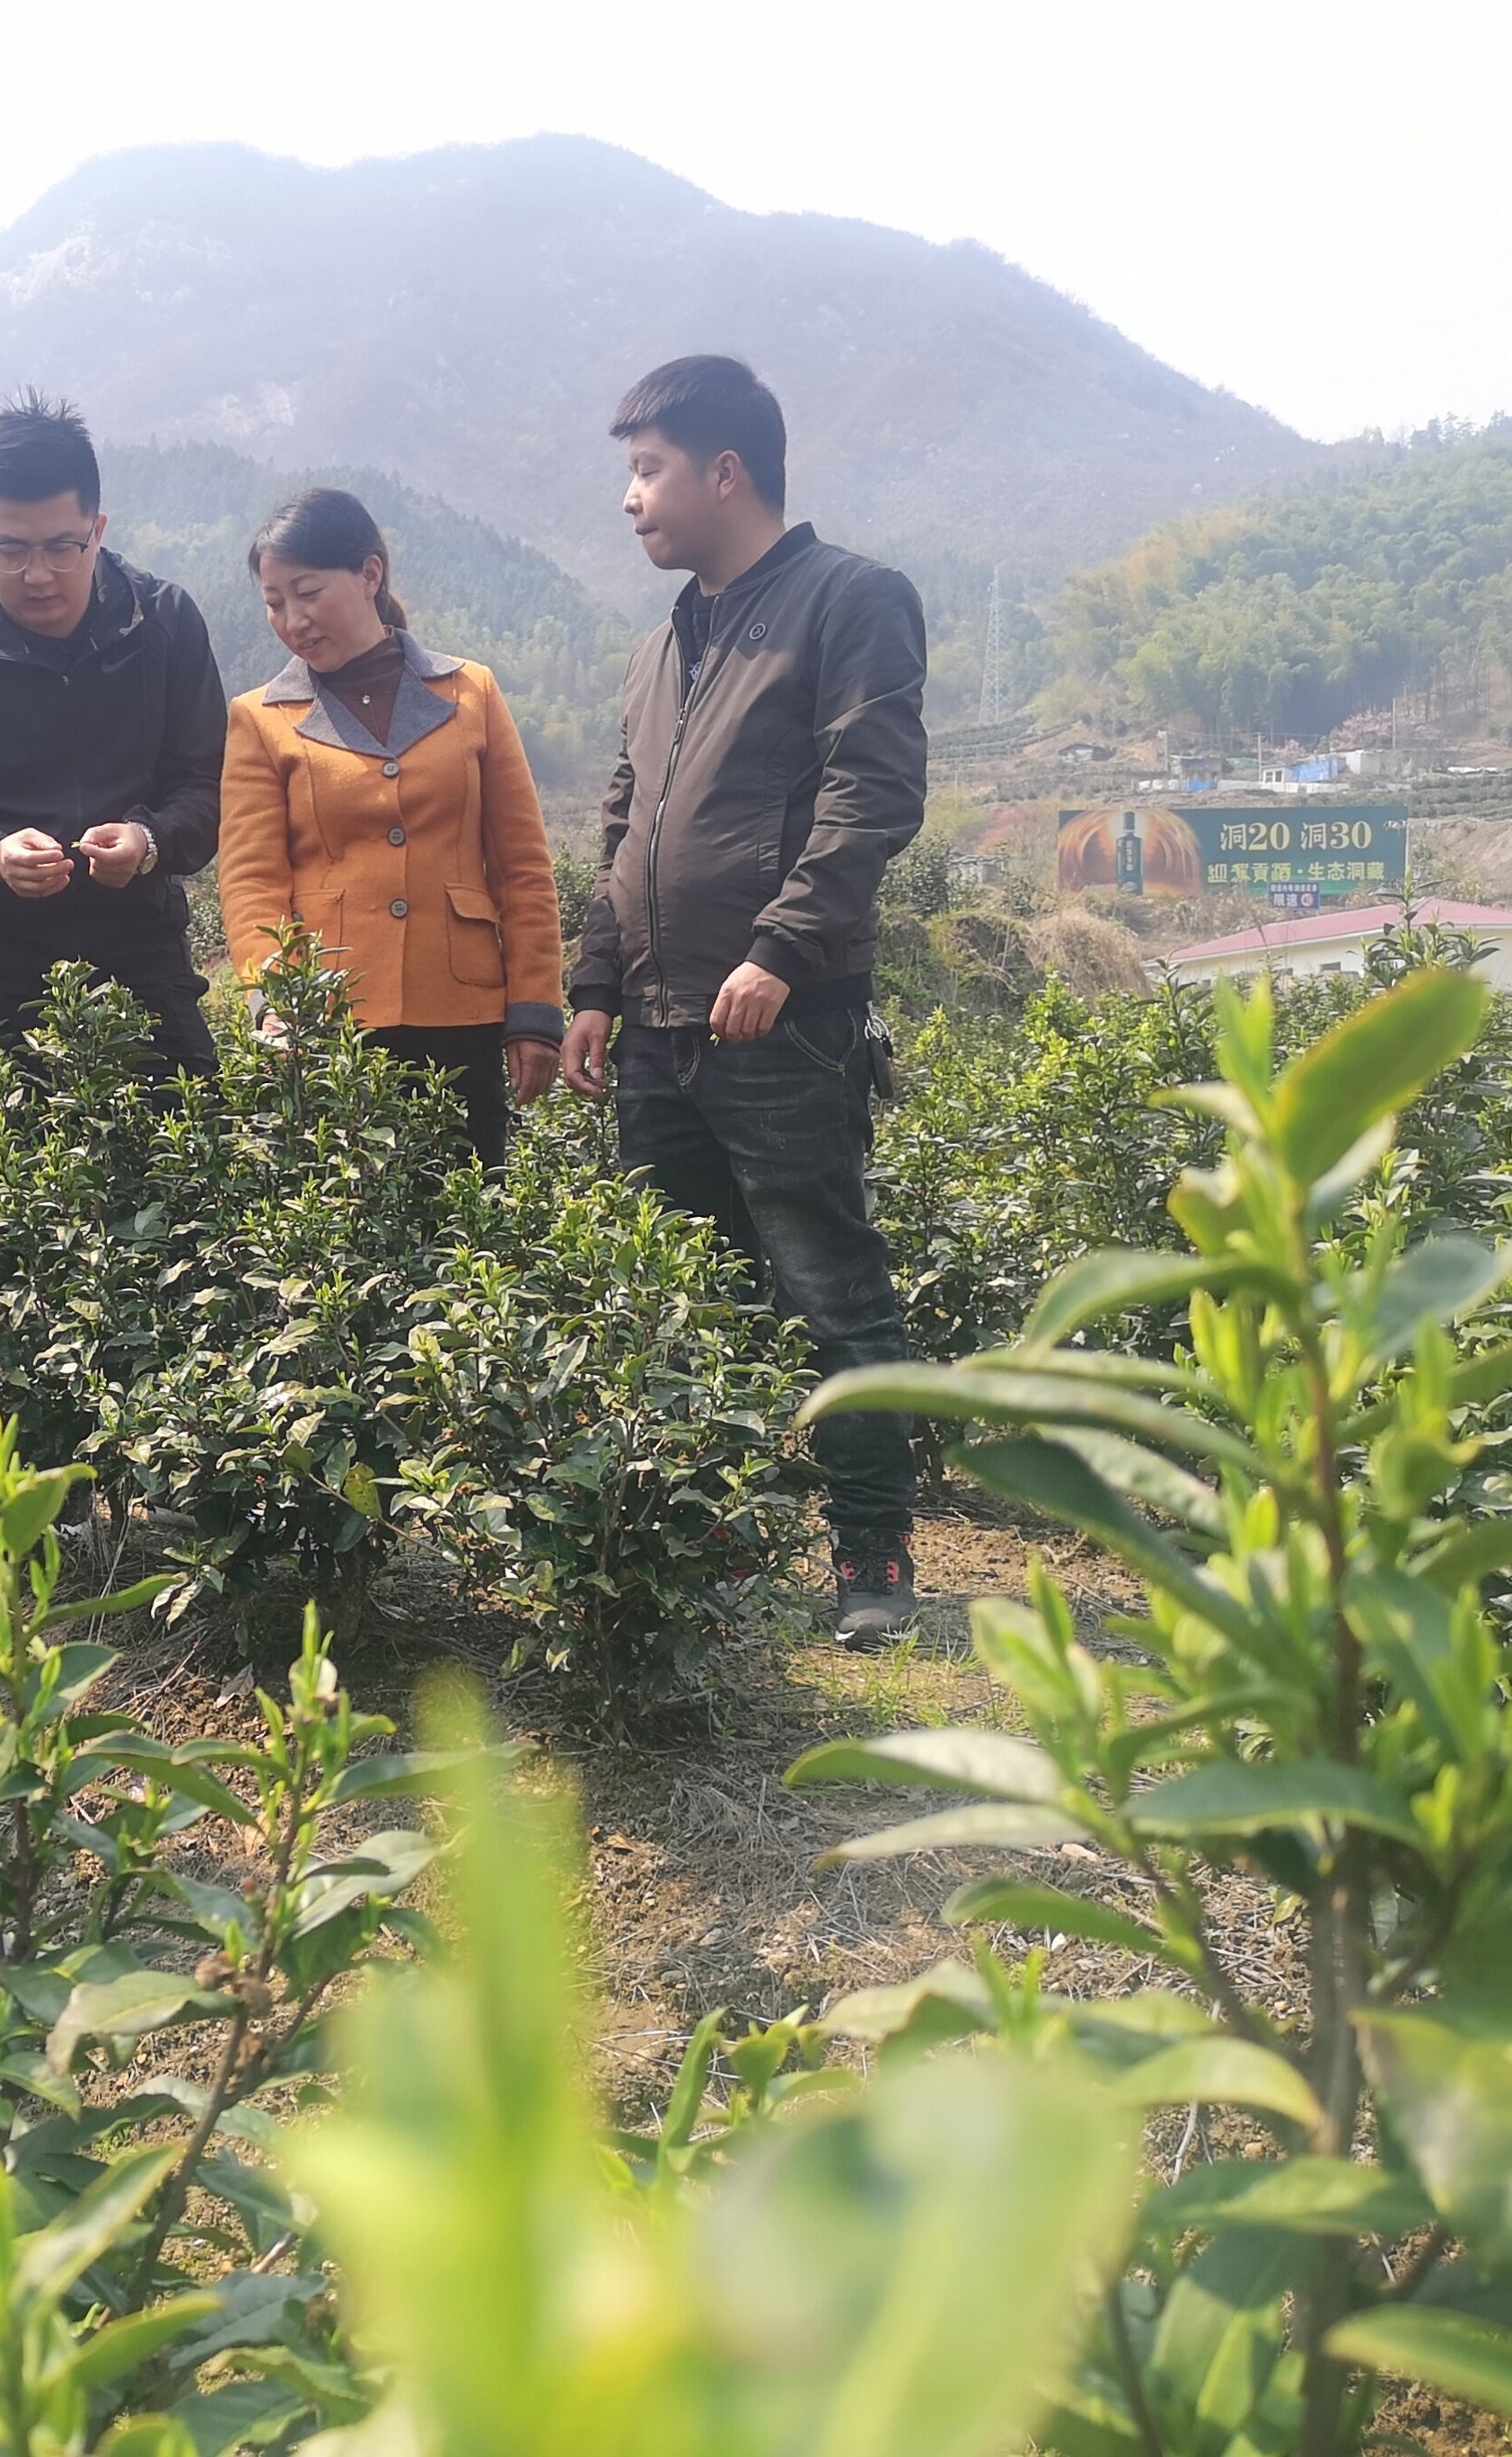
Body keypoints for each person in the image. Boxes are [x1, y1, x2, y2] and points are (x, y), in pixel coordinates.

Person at [558, 357, 926, 1643]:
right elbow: (627, 822)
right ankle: (712, 1542)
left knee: (830, 1283)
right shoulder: (668, 642)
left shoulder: (850, 602)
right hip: (658, 1028)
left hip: (785, 1015)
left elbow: (869, 793)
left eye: (648, 468)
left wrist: (779, 948)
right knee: (687, 1288)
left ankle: (874, 1556)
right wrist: (594, 981)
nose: (630, 499)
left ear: (725, 471)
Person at [0, 391, 225, 1071]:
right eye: (8, 550)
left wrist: (148, 842)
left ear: (97, 529)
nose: (37, 575)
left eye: (62, 547)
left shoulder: (163, 625)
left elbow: (208, 789)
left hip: (143, 967)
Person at [216, 488, 563, 1165]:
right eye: (274, 601)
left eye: (308, 592)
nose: (292, 619)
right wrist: (274, 1000)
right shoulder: (260, 718)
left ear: (370, 575)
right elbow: (253, 880)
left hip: (463, 1013)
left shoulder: (471, 694)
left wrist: (535, 1013)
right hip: (330, 1020)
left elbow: (522, 867)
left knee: (470, 1225)